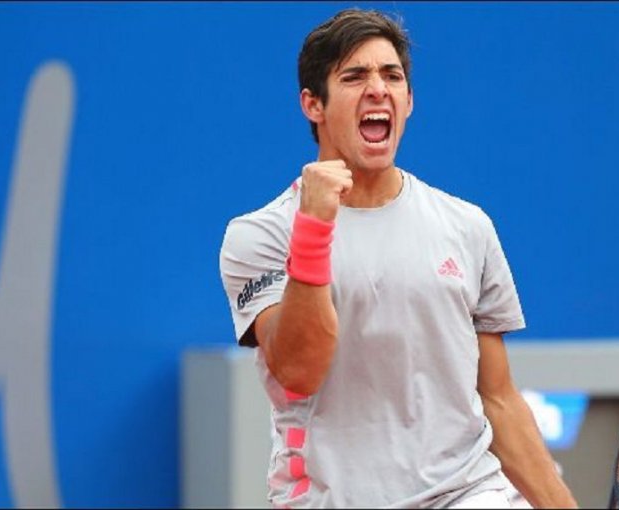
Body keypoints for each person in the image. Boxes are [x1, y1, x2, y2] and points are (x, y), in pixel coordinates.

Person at [219, 8, 577, 508]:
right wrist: (314, 229)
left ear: (408, 101)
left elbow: (498, 398)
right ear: (312, 105)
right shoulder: (260, 235)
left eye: (392, 76)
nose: (378, 89)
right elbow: (298, 369)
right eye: (354, 76)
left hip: (468, 493)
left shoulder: (467, 226)